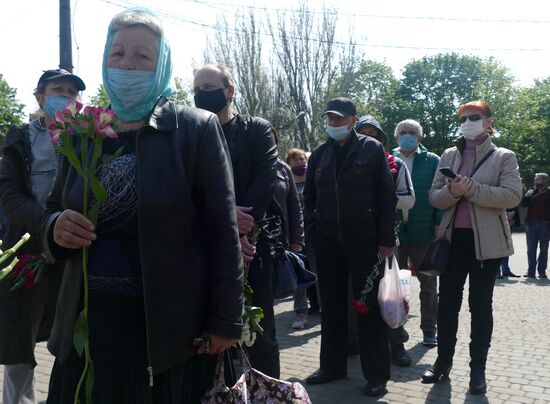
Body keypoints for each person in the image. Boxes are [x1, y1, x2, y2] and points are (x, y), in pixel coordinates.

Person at [42, 9, 244, 403]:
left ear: (162, 63)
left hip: (165, 328)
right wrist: (55, 227)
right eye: (117, 54)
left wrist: (225, 320)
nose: (126, 65)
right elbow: (52, 207)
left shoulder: (194, 129)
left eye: (141, 56)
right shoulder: (84, 131)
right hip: (88, 324)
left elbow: (222, 230)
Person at [423, 100, 522, 395]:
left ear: (488, 121)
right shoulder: (450, 154)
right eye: (463, 118)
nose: (468, 122)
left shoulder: (503, 156)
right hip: (452, 242)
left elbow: (512, 196)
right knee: (447, 305)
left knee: (480, 306)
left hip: (487, 245)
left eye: (474, 117)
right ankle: (442, 362)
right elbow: (433, 197)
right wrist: (453, 191)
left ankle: (477, 369)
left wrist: (473, 190)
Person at [0, 68, 85, 404]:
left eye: (72, 92)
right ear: (40, 97)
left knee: (70, 341)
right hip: (26, 252)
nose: (65, 97)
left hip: (73, 252)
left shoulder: (88, 139)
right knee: (18, 344)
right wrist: (48, 224)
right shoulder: (21, 138)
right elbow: (8, 193)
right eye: (57, 90)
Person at [304, 97, 396, 397]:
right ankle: (332, 367)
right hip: (328, 242)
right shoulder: (319, 154)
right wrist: (313, 233)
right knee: (330, 306)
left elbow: (386, 196)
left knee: (366, 307)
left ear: (354, 120)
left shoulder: (372, 150)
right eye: (330, 119)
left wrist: (385, 240)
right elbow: (309, 199)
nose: (334, 124)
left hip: (366, 242)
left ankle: (377, 375)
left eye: (340, 119)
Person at [193, 64, 279, 377]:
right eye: (198, 87)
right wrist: (228, 224)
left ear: (229, 91)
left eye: (209, 85)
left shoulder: (255, 129)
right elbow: (188, 188)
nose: (202, 92)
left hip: (253, 242)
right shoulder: (191, 131)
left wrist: (244, 231)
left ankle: (266, 392)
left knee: (259, 330)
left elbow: (267, 180)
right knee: (213, 325)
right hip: (208, 241)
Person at [349, 115, 415, 357]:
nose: (368, 137)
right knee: (356, 293)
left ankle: (396, 343)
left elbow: (409, 199)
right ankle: (355, 342)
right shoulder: (346, 161)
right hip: (353, 238)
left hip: (386, 239)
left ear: (381, 138)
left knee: (391, 293)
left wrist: (379, 199)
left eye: (373, 133)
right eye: (362, 132)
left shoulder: (395, 163)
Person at [390, 119, 443, 365]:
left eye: (412, 132)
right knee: (394, 287)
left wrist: (438, 221)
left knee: (428, 283)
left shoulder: (432, 160)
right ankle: (396, 330)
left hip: (424, 231)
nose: (408, 136)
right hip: (395, 232)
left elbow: (439, 192)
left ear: (420, 137)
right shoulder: (387, 159)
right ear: (397, 136)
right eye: (403, 132)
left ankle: (429, 328)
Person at [283, 147, 311, 329]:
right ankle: (301, 313)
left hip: (315, 233)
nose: (300, 162)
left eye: (302, 159)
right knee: (298, 274)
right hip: (295, 235)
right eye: (295, 160)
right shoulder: (286, 182)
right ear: (289, 163)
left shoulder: (312, 180)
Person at [521, 173, 550, 279]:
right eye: (535, 179)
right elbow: (523, 204)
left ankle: (542, 271)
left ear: (545, 181)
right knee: (531, 249)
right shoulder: (532, 191)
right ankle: (531, 271)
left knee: (544, 249)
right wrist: (526, 196)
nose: (535, 181)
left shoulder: (549, 193)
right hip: (531, 224)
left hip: (545, 224)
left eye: (538, 180)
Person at [498, 206, 521, 278]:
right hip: (498, 224)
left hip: (509, 225)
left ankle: (505, 270)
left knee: (507, 248)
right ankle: (497, 272)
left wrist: (513, 216)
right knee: (498, 249)